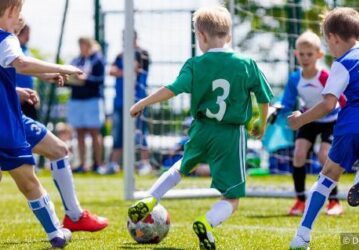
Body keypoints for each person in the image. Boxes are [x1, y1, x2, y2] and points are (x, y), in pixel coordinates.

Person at [128, 6, 273, 250]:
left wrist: (143, 102)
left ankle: (151, 197)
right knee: (232, 197)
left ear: (202, 36)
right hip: (230, 133)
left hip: (201, 128)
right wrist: (262, 122)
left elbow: (171, 89)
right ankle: (206, 224)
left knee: (181, 167)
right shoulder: (246, 63)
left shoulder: (194, 64)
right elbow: (264, 97)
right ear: (228, 35)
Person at [288, 7, 359, 249]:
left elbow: (328, 103)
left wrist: (300, 120)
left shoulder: (344, 62)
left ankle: (302, 236)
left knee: (327, 175)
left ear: (333, 38)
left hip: (354, 124)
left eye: (329, 46)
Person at [0, 0, 83, 247]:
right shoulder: (7, 38)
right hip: (6, 126)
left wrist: (14, 91)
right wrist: (62, 67)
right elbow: (22, 63)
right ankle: (55, 233)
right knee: (29, 181)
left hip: (8, 118)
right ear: (13, 11)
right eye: (20, 13)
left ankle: (63, 225)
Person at [16, 86, 109, 232]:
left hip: (11, 112)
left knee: (58, 151)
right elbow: (21, 63)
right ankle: (71, 220)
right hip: (7, 116)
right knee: (54, 156)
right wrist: (56, 69)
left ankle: (72, 218)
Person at [281, 30, 344, 216]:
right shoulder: (294, 78)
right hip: (309, 118)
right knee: (298, 154)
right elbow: (286, 102)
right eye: (301, 54)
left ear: (319, 55)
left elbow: (337, 100)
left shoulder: (325, 76)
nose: (305, 58)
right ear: (295, 54)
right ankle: (300, 200)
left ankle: (334, 201)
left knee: (325, 156)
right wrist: (278, 109)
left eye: (310, 54)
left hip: (331, 120)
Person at [99, 32, 151, 175]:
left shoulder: (143, 53)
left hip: (138, 100)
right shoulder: (119, 55)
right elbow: (112, 71)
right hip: (120, 101)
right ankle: (113, 164)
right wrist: (122, 72)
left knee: (140, 131)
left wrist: (122, 71)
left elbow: (133, 69)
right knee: (118, 133)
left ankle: (145, 164)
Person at [67, 37, 106, 173]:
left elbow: (100, 80)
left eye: (83, 44)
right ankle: (82, 164)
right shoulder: (76, 61)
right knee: (79, 133)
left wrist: (86, 79)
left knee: (95, 133)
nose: (81, 47)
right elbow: (67, 78)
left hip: (92, 100)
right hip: (76, 100)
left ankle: (99, 164)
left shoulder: (98, 59)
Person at [15, 23, 38, 119]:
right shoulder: (12, 50)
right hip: (15, 95)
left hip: (28, 96)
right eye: (26, 33)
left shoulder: (27, 50)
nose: (28, 37)